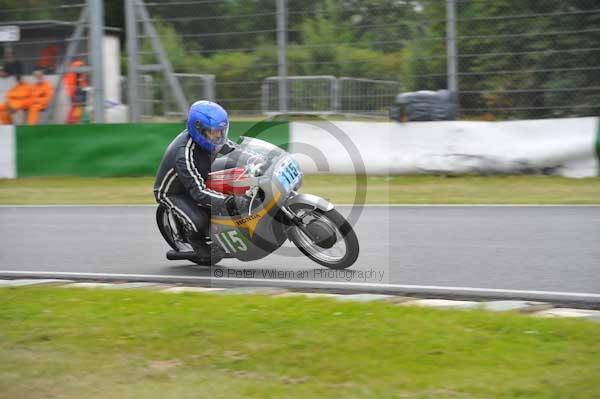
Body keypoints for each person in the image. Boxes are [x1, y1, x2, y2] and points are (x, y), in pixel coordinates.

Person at [153, 100, 250, 260]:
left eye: (221, 131)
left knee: (235, 166)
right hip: (174, 192)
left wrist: (258, 159)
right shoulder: (183, 154)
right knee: (200, 221)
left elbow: (235, 151)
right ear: (199, 130)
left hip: (199, 173)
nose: (219, 136)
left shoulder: (212, 139)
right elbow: (198, 192)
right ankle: (197, 243)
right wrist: (231, 202)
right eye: (214, 132)